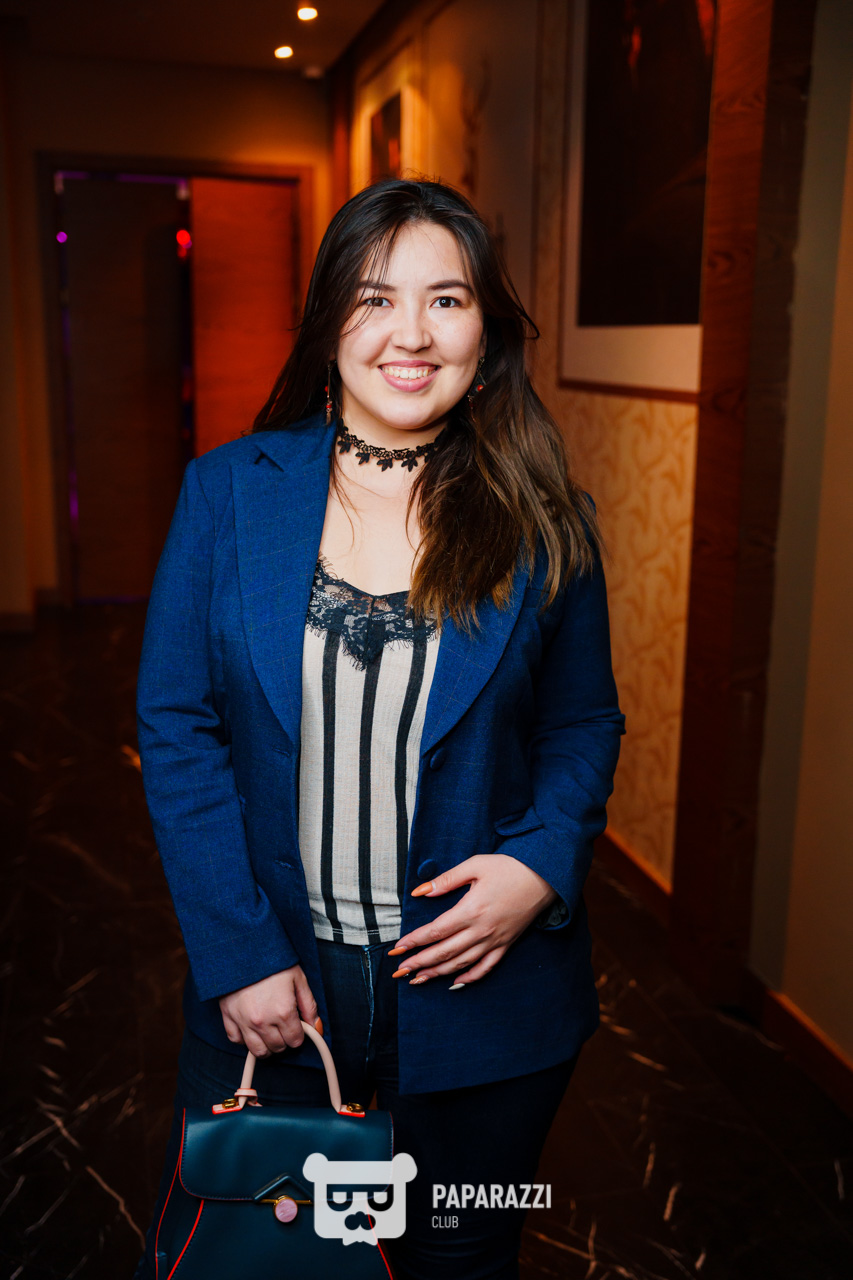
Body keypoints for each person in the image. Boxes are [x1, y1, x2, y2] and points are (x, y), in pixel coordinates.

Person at [133, 176, 625, 1280]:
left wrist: (541, 865)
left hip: (488, 1003)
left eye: (446, 299)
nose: (411, 333)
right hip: (276, 995)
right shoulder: (226, 493)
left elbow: (583, 720)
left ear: (484, 329)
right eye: (374, 298)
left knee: (462, 1251)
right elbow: (176, 724)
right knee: (272, 1256)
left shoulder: (546, 516)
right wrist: (238, 952)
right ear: (327, 323)